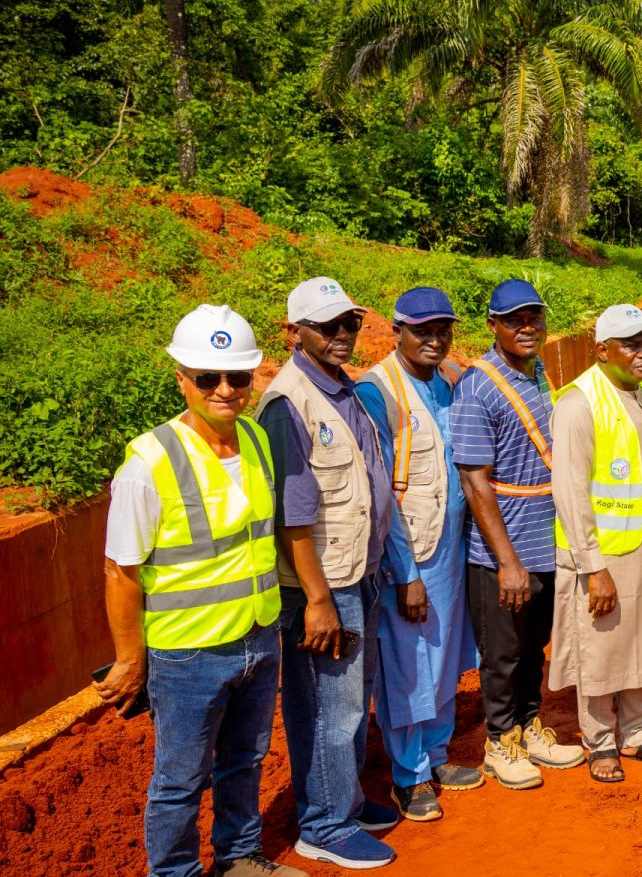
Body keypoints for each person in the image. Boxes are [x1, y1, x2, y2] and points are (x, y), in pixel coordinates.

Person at [97, 306, 304, 877]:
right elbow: (120, 570)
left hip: (257, 634)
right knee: (180, 779)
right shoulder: (150, 461)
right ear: (181, 379)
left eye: (238, 377)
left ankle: (238, 858)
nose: (225, 390)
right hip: (187, 652)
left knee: (246, 759)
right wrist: (130, 658)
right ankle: (174, 871)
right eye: (208, 377)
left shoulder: (256, 440)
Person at [258, 277, 400, 869]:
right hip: (323, 585)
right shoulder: (289, 403)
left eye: (350, 323)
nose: (343, 334)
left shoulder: (343, 388)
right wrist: (316, 599)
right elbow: (292, 516)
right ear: (295, 332)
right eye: (327, 326)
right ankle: (324, 825)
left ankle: (343, 800)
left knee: (353, 699)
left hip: (357, 571)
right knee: (327, 707)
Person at [450, 278, 586, 791]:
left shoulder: (538, 372)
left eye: (534, 318)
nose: (527, 328)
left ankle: (529, 729)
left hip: (544, 542)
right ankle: (499, 743)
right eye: (514, 321)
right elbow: (475, 482)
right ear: (493, 326)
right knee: (503, 655)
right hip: (502, 554)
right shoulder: (477, 388)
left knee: (533, 648)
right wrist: (507, 562)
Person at [354, 287, 483, 822]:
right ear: (397, 332)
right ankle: (409, 774)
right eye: (422, 331)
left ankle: (436, 752)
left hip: (450, 544)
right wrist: (404, 573)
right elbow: (380, 491)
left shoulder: (447, 381)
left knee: (445, 654)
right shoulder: (376, 391)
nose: (434, 340)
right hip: (410, 551)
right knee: (409, 661)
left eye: (442, 330)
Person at [549, 305, 642, 783]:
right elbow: (570, 493)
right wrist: (594, 567)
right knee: (601, 647)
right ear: (602, 350)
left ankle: (639, 732)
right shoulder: (579, 403)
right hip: (606, 553)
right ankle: (600, 740)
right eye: (632, 345)